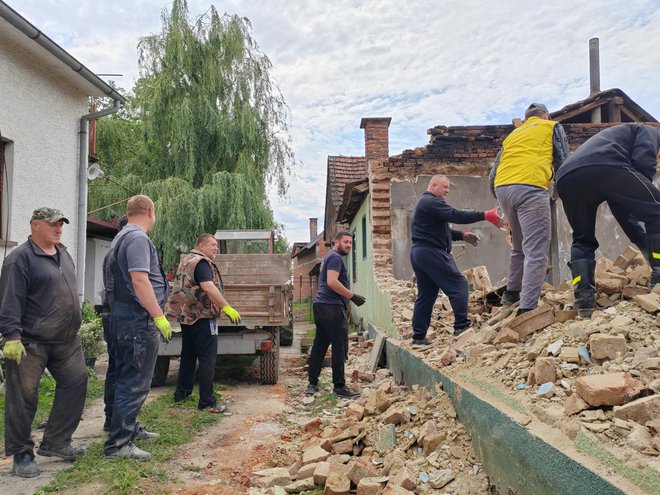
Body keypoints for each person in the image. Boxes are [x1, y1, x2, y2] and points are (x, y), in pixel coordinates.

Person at [0, 208, 87, 477]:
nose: (58, 228)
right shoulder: (19, 259)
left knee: (76, 382)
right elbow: (9, 300)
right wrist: (11, 336)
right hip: (31, 341)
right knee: (23, 396)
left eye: (60, 224)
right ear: (35, 225)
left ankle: (57, 442)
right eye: (53, 224)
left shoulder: (63, 252)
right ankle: (21, 453)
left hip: (66, 339)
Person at [556, 123, 660, 316]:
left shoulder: (615, 142)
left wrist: (644, 246)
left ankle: (584, 300)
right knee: (657, 210)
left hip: (566, 177)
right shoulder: (649, 131)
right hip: (604, 165)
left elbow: (624, 214)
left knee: (582, 239)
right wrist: (645, 195)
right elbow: (643, 164)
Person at [103, 195, 171, 460]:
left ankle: (127, 429)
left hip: (123, 317)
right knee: (135, 382)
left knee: (124, 377)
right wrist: (158, 316)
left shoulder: (121, 237)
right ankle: (119, 444)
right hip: (137, 320)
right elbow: (140, 280)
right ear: (151, 212)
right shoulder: (138, 238)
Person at [489, 103, 569, 314]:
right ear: (545, 115)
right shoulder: (551, 127)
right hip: (531, 188)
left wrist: (501, 197)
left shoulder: (513, 136)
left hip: (503, 189)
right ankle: (528, 308)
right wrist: (558, 192)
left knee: (518, 247)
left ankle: (511, 295)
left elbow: (493, 173)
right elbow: (563, 159)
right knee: (536, 250)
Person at [410, 175, 501, 344]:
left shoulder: (426, 205)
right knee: (459, 284)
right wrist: (485, 215)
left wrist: (462, 235)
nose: (447, 191)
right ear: (433, 184)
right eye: (444, 187)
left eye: (448, 188)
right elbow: (455, 215)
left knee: (427, 295)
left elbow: (442, 231)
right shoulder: (431, 202)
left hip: (420, 252)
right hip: (432, 252)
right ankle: (461, 326)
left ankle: (418, 337)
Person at [167, 233, 241, 412]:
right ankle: (207, 401)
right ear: (201, 246)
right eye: (212, 245)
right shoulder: (201, 263)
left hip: (187, 317)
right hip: (202, 317)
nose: (215, 248)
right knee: (208, 359)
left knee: (188, 356)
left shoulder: (186, 260)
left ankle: (182, 394)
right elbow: (208, 287)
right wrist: (226, 307)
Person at [307, 230, 366, 398]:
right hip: (331, 307)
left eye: (350, 243)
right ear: (337, 242)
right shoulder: (334, 257)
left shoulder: (328, 258)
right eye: (346, 242)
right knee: (339, 346)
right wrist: (352, 296)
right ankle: (339, 387)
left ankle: (312, 383)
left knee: (320, 344)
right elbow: (332, 281)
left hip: (321, 305)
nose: (348, 245)